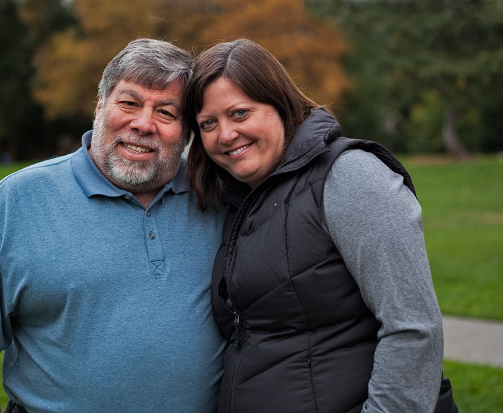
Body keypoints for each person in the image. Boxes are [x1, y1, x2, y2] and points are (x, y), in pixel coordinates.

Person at [0, 38, 227, 413]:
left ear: (187, 132)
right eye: (129, 102)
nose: (143, 123)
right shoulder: (13, 204)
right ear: (100, 105)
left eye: (166, 112)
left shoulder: (218, 200)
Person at [185, 39, 458, 413]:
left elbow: (413, 328)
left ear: (279, 104)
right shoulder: (237, 200)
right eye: (208, 123)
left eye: (240, 113)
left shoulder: (350, 176)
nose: (225, 134)